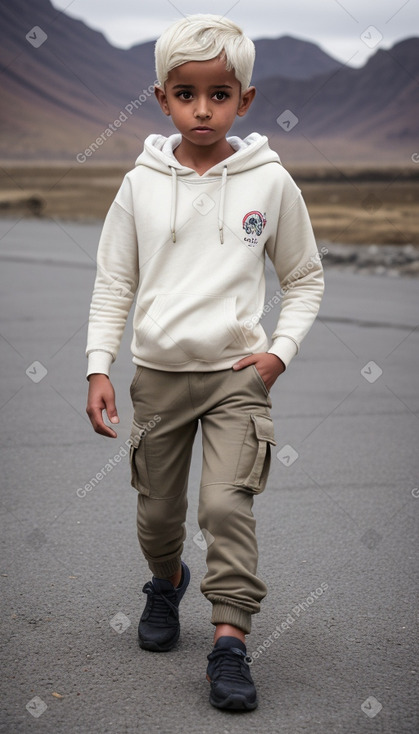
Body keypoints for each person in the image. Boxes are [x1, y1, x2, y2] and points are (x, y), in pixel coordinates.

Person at [85, 13, 324, 712]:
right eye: (186, 94)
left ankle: (229, 642)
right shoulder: (140, 184)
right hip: (158, 378)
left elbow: (304, 278)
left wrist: (276, 355)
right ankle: (167, 582)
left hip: (236, 379)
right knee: (158, 516)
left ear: (244, 100)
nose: (202, 109)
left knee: (225, 504)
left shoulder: (269, 182)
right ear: (161, 98)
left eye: (219, 94)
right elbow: (113, 283)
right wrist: (99, 366)